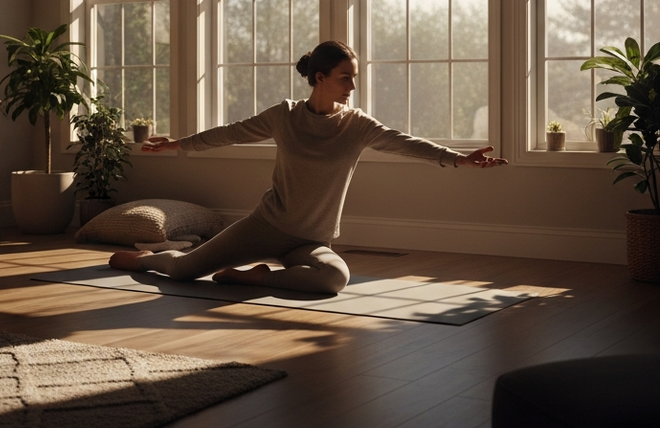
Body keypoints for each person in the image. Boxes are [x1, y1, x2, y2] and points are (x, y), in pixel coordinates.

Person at [108, 41, 507, 293]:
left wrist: (458, 159)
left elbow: (405, 143)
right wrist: (180, 143)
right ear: (320, 78)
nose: (352, 87)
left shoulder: (357, 125)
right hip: (264, 226)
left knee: (334, 279)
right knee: (182, 274)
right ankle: (149, 258)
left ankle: (256, 277)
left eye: (354, 78)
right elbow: (232, 132)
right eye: (345, 78)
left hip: (311, 240)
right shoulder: (285, 115)